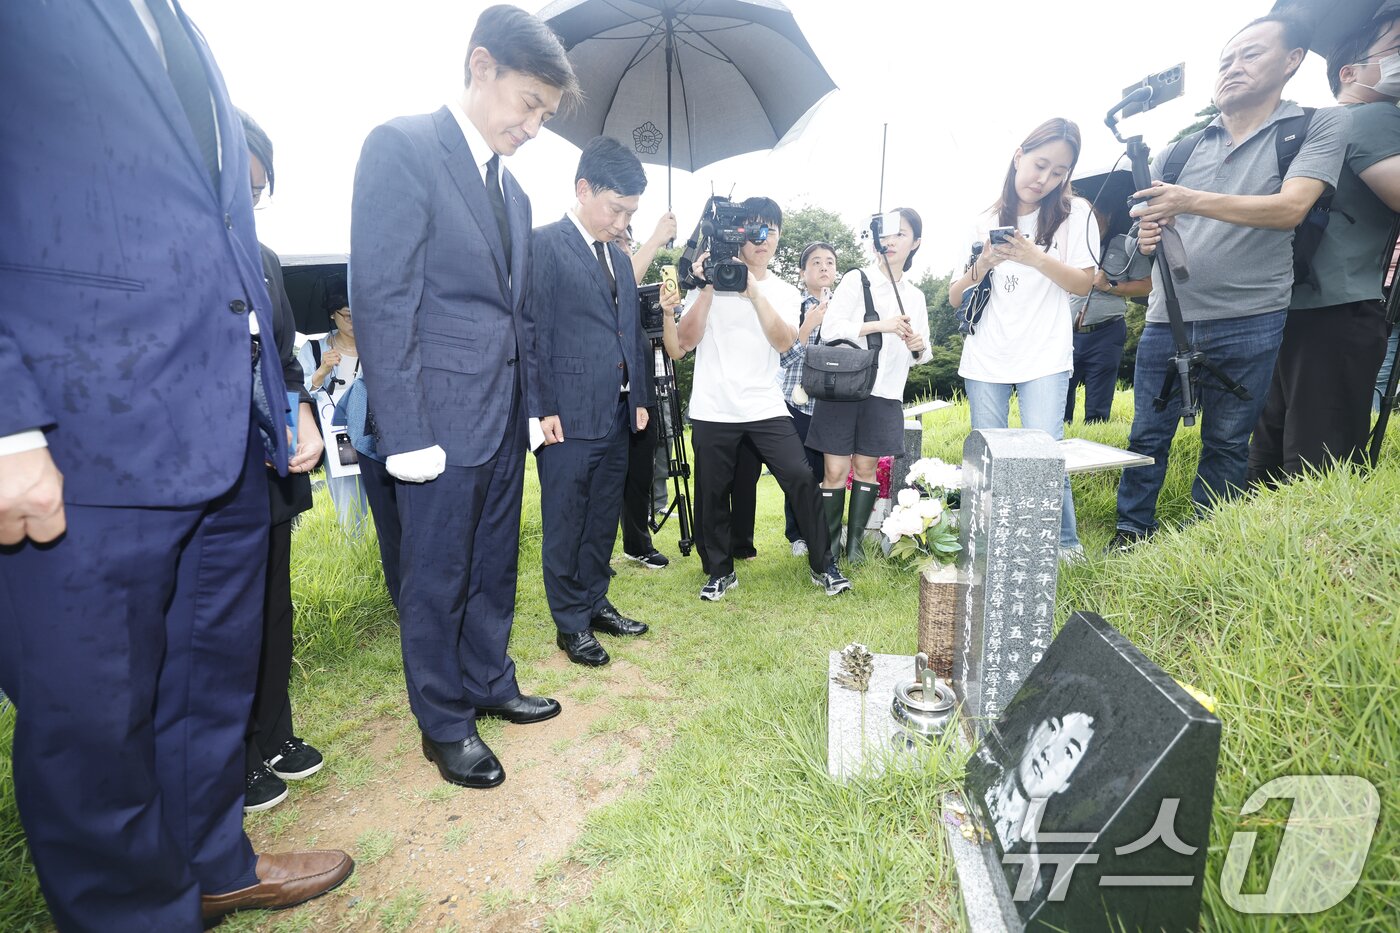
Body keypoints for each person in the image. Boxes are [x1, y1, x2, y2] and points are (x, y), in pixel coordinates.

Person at [0, 3, 352, 929]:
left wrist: (279, 398)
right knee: (93, 712)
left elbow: (218, 227)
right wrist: (6, 423)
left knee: (209, 678)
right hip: (78, 421)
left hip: (224, 426)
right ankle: (131, 911)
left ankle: (213, 863)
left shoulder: (181, 27)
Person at [351, 4, 579, 789]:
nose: (534, 127)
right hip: (435, 420)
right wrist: (406, 430)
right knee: (436, 574)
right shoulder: (404, 147)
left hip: (501, 417)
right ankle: (444, 722)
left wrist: (530, 407)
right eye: (529, 104)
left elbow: (518, 317)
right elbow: (382, 297)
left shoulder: (514, 195)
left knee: (492, 562)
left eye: (546, 115)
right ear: (483, 66)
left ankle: (488, 679)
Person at [1112, 14, 1348, 550]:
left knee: (1227, 440)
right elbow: (1143, 239)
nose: (1233, 68)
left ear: (1292, 61)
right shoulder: (1180, 150)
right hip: (1167, 318)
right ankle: (1130, 535)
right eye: (1225, 61)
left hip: (1253, 315)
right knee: (1146, 434)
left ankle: (1208, 545)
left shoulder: (1315, 126)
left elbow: (1290, 209)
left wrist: (1186, 199)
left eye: (1251, 54)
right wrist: (1145, 237)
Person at [1246, 13, 1400, 485]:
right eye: (1395, 48)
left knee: (1273, 450)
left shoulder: (1311, 128)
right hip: (1340, 307)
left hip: (1286, 303)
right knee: (1324, 461)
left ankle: (1254, 532)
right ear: (1349, 72)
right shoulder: (1373, 117)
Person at [676, 197, 852, 599]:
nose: (760, 239)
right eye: (751, 230)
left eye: (768, 231)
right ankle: (720, 571)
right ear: (736, 234)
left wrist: (754, 292)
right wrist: (707, 286)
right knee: (712, 492)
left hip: (764, 404)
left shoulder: (784, 291)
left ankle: (824, 565)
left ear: (778, 236)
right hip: (713, 406)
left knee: (800, 477)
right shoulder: (707, 281)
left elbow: (786, 342)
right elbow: (684, 341)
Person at [949, 120, 1099, 560]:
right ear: (1018, 156)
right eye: (1039, 165)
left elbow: (1084, 283)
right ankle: (994, 544)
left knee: (1045, 452)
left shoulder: (1076, 213)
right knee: (989, 455)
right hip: (986, 354)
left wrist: (1034, 256)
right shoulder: (983, 220)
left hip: (1045, 353)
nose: (1044, 179)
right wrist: (984, 264)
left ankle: (1064, 544)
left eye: (1058, 172)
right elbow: (955, 296)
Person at [530, 137, 654, 668]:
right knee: (566, 520)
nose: (622, 222)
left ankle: (596, 601)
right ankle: (570, 623)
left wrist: (639, 396)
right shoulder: (544, 244)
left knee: (603, 516)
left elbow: (630, 332)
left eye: (631, 214)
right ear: (583, 189)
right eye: (615, 209)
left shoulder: (620, 259)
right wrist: (542, 408)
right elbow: (532, 331)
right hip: (566, 414)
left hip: (617, 413)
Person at [239, 111, 330, 813]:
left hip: (270, 468)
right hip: (212, 473)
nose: (244, 204)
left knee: (273, 605)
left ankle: (274, 735)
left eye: (256, 193)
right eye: (235, 185)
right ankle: (232, 758)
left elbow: (286, 361)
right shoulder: (170, 248)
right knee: (223, 617)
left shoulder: (265, 261)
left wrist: (303, 418)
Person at [809, 214, 933, 562]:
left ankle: (855, 546)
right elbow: (830, 330)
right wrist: (882, 325)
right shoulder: (857, 279)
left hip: (886, 392)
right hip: (844, 389)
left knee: (866, 469)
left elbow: (923, 355)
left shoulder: (916, 296)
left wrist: (918, 346)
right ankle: (829, 547)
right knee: (835, 471)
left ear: (915, 243)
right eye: (886, 234)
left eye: (901, 235)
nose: (890, 241)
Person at [619, 214, 679, 570]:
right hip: (606, 393)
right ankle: (593, 551)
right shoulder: (599, 272)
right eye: (619, 242)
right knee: (604, 477)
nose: (626, 248)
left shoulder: (633, 275)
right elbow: (620, 282)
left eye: (628, 242)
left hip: (642, 390)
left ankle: (637, 543)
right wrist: (656, 239)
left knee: (641, 471)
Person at [1063, 204, 1152, 424]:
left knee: (1099, 400)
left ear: (1109, 216)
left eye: (1096, 215)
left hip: (1107, 330)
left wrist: (1109, 286)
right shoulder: (1071, 244)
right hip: (1066, 332)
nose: (1091, 222)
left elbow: (1147, 286)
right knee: (1060, 394)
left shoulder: (1125, 244)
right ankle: (1060, 436)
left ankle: (1095, 437)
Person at [778, 242, 838, 557]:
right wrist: (808, 325)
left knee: (832, 471)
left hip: (835, 403)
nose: (824, 267)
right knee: (800, 472)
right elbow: (785, 356)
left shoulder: (845, 308)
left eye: (829, 262)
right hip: (797, 402)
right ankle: (798, 535)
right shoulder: (793, 306)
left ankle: (829, 530)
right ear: (803, 273)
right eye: (815, 262)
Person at [299, 286, 370, 530]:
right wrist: (322, 370)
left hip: (375, 431)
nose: (354, 321)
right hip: (337, 435)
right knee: (349, 502)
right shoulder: (314, 349)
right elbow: (300, 391)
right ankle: (355, 548)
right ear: (332, 314)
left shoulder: (375, 345)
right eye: (348, 315)